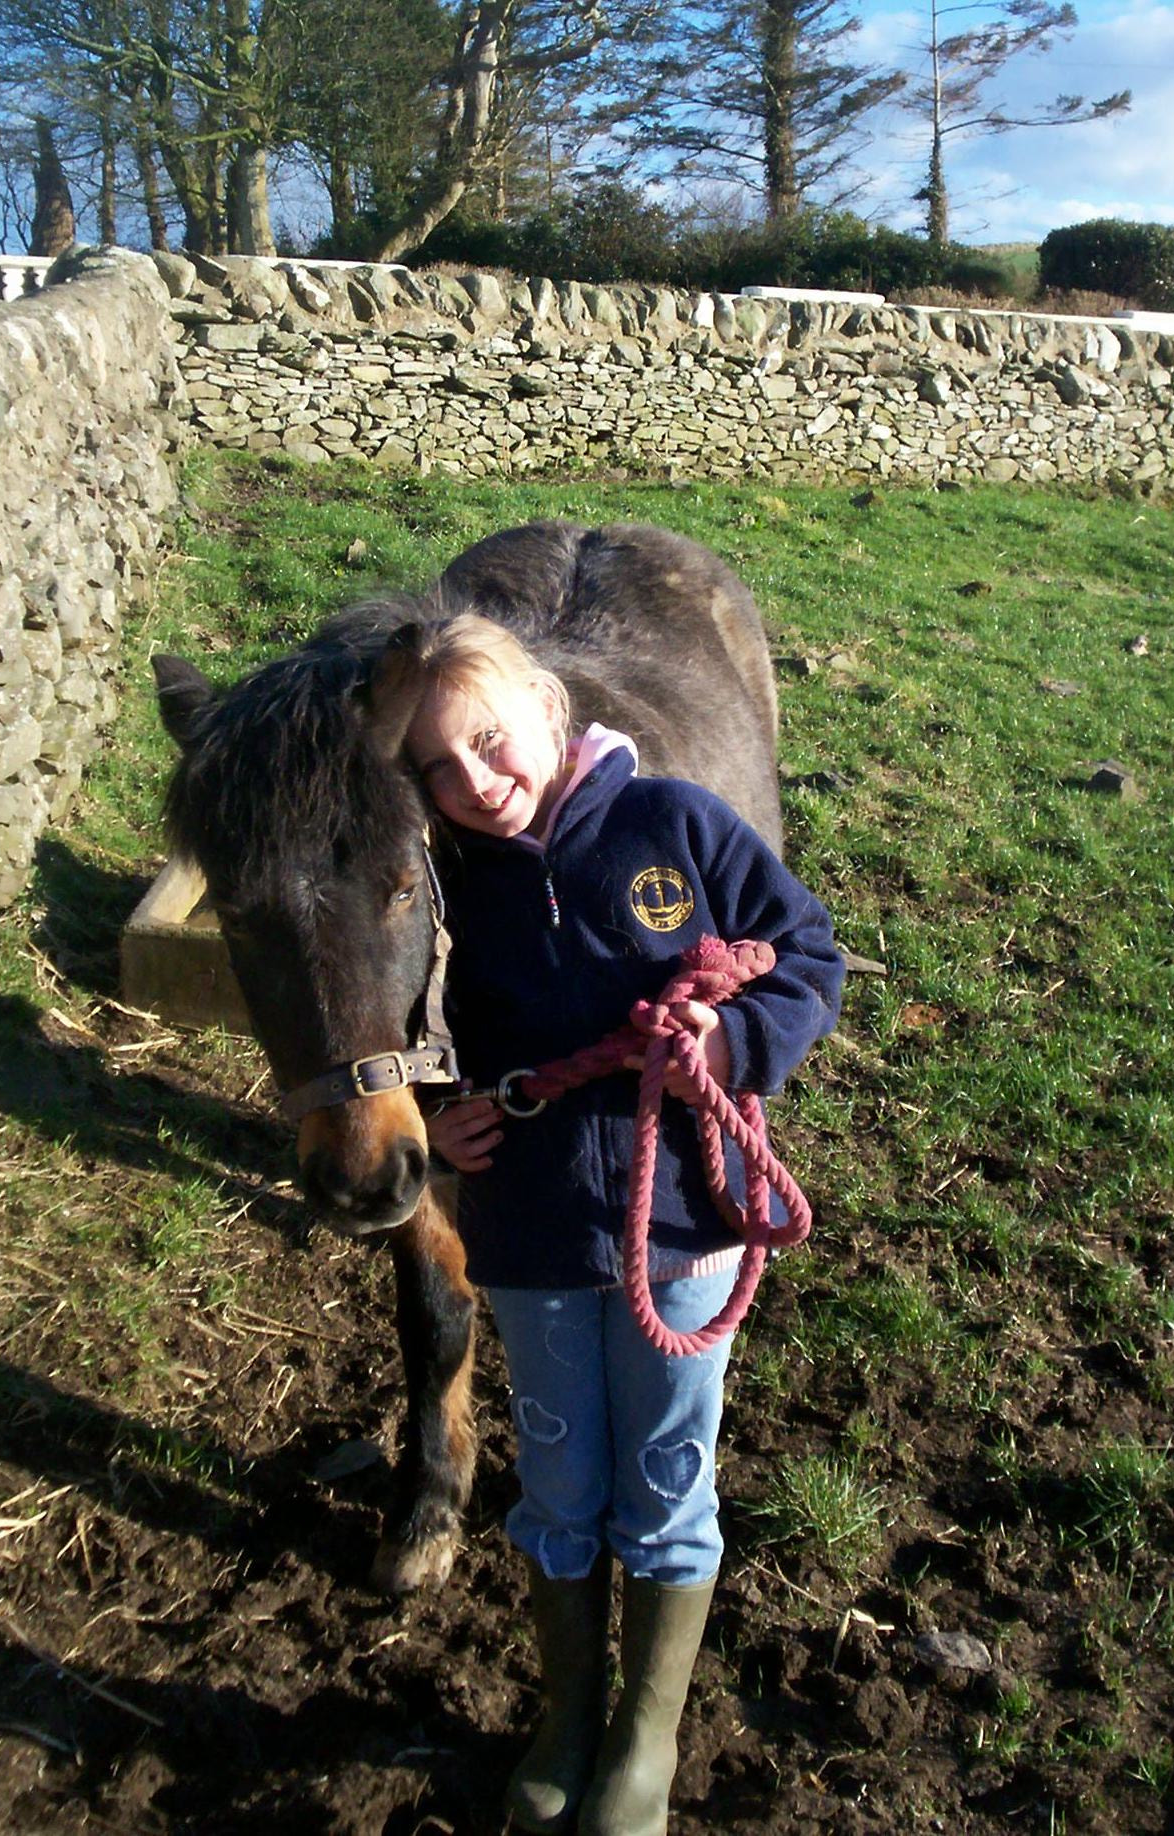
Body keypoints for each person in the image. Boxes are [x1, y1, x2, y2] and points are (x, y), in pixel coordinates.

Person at [398, 614, 845, 1836]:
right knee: (557, 1478)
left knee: (661, 1479)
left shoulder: (677, 826)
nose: (477, 784)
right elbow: (405, 1032)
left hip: (685, 1223)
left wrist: (736, 1043)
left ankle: (642, 1743)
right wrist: (439, 1116)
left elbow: (806, 948)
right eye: (440, 766)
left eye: (492, 743)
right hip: (533, 1236)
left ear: (549, 711)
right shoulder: (443, 882)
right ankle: (567, 1719)